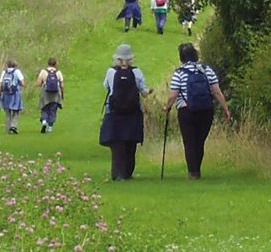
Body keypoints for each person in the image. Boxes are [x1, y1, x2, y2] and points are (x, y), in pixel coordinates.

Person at [164, 43, 231, 180]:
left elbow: (173, 95)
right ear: (195, 55)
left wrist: (168, 107)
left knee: (189, 141)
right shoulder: (207, 70)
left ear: (181, 57)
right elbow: (217, 92)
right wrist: (226, 109)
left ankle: (193, 172)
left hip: (186, 111)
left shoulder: (179, 73)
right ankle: (197, 169)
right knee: (200, 141)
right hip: (206, 110)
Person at [99, 44, 153, 181]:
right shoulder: (137, 72)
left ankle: (117, 174)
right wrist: (149, 92)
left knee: (117, 144)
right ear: (131, 58)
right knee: (130, 143)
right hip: (132, 112)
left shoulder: (111, 72)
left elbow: (106, 87)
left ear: (116, 57)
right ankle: (128, 172)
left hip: (114, 112)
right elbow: (144, 92)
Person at [36, 57, 65, 133]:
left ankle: (44, 121)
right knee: (53, 109)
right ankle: (50, 127)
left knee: (44, 107)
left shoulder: (43, 71)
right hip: (55, 93)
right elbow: (62, 85)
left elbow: (38, 83)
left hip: (45, 92)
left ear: (48, 63)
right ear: (55, 64)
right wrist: (62, 95)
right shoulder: (58, 72)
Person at [0, 59, 26, 134]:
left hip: (6, 94)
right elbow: (23, 83)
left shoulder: (4, 72)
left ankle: (8, 129)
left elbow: (1, 84)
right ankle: (13, 126)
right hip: (15, 94)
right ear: (15, 65)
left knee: (7, 112)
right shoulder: (17, 72)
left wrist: (0, 94)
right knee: (16, 111)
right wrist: (19, 84)